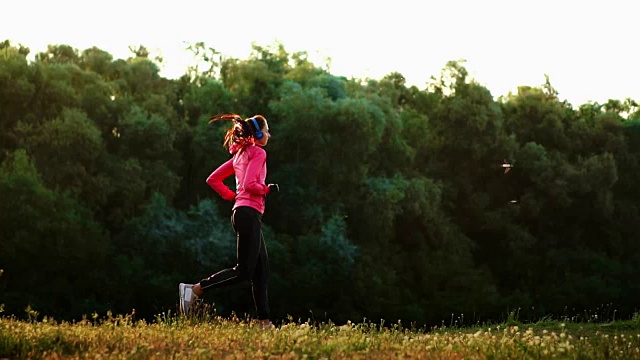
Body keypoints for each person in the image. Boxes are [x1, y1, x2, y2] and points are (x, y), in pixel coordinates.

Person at [179, 113, 278, 328]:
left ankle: (265, 322)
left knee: (261, 270)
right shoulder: (258, 153)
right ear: (259, 134)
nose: (269, 134)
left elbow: (212, 179)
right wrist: (267, 189)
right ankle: (195, 289)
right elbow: (251, 184)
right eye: (267, 130)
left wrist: (231, 196)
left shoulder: (239, 155)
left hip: (243, 212)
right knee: (244, 271)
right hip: (249, 213)